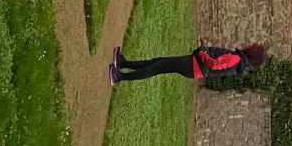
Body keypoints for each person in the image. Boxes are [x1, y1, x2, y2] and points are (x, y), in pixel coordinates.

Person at [109, 42, 268, 86]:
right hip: (195, 66)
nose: (250, 45)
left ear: (252, 52)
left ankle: (120, 77)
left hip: (194, 66)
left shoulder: (236, 59)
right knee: (157, 63)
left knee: (157, 67)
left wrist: (202, 53)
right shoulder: (239, 61)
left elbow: (214, 64)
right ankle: (124, 63)